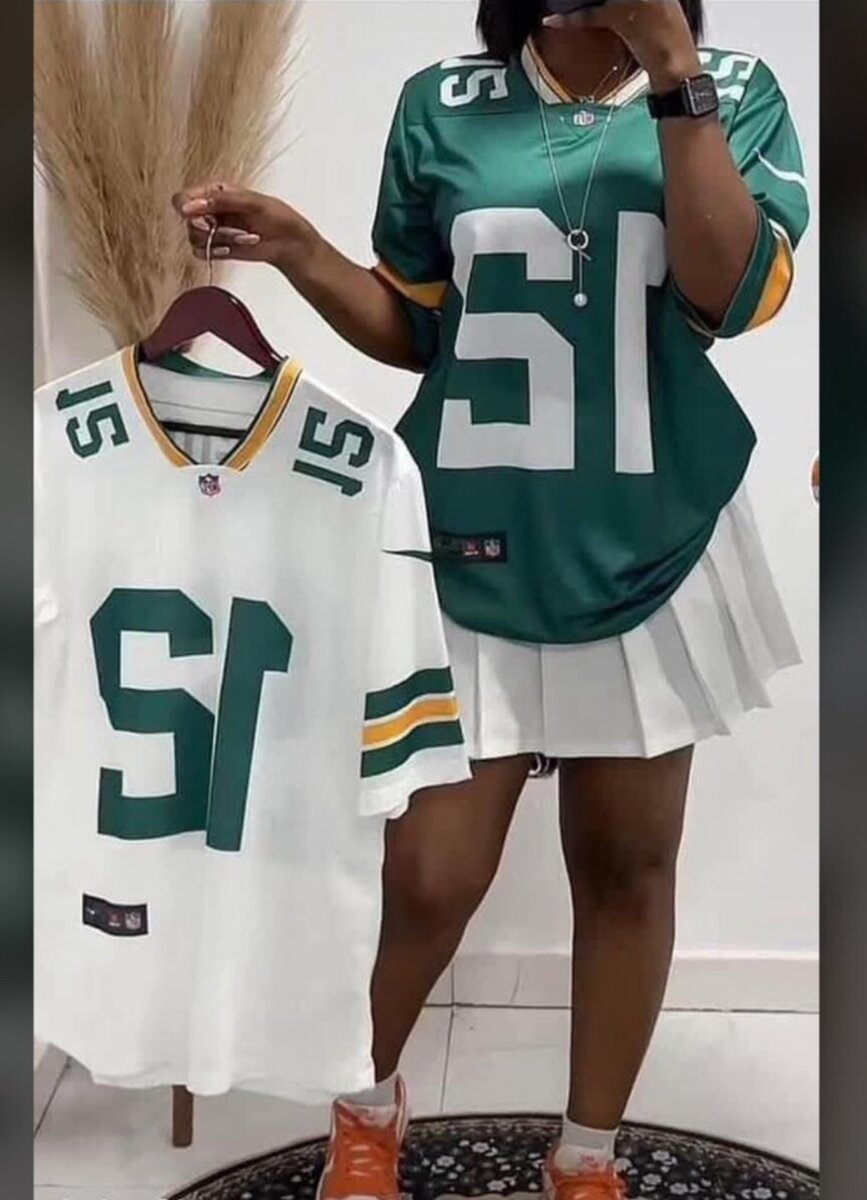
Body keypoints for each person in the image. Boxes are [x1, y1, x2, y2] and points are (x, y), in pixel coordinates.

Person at [173, 1, 809, 1197]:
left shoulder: (731, 83)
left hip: (648, 526)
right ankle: (367, 1111)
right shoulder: (444, 102)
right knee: (430, 871)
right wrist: (306, 252)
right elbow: (423, 329)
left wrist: (674, 70)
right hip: (471, 527)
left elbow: (727, 294)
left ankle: (587, 1157)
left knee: (626, 863)